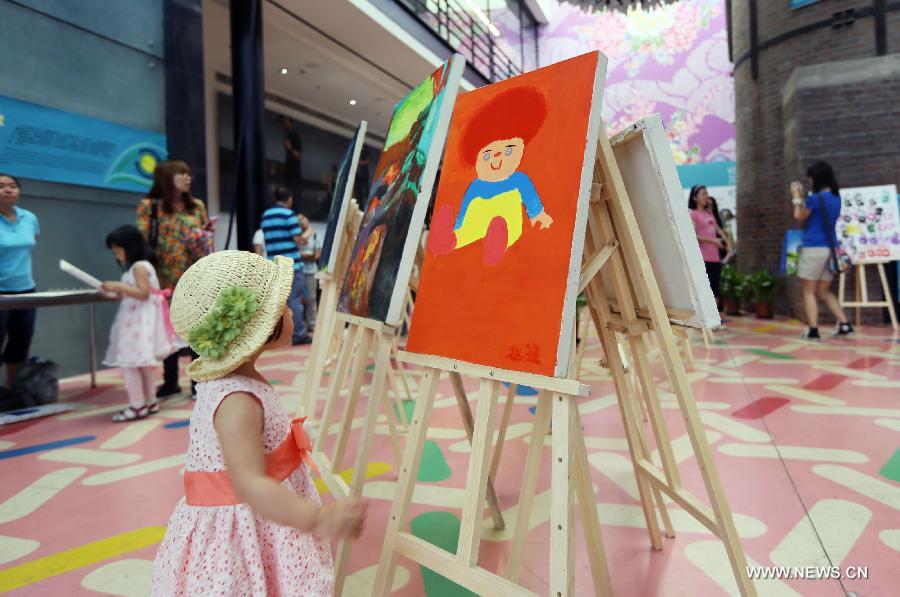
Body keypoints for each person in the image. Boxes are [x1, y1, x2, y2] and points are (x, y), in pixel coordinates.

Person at [151, 251, 367, 595]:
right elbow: (250, 483)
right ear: (262, 327)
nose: (291, 309)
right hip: (243, 534)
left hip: (261, 518)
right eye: (281, 305)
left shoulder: (240, 383)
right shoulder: (237, 400)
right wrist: (318, 519)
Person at [137, 160, 214, 398]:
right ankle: (170, 381)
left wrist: (205, 237)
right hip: (162, 279)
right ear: (166, 178)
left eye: (189, 173)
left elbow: (206, 236)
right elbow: (142, 241)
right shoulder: (149, 206)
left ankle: (197, 382)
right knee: (167, 329)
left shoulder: (197, 206)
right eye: (182, 173)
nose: (188, 178)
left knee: (196, 328)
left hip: (195, 274)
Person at [101, 226, 177, 422]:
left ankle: (137, 405)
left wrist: (118, 286)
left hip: (137, 325)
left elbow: (143, 293)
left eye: (118, 251)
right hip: (137, 322)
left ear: (130, 247)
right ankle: (150, 401)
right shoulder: (141, 267)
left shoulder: (139, 267)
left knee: (130, 364)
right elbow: (137, 293)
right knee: (142, 365)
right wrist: (115, 291)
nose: (117, 256)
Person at [791, 161, 854, 340]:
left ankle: (813, 330)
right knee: (823, 291)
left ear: (816, 178)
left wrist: (796, 198)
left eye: (810, 178)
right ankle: (844, 324)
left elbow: (798, 217)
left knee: (808, 291)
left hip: (813, 249)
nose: (809, 181)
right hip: (831, 250)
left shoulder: (814, 199)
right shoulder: (836, 198)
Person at [0, 174, 39, 388]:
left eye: (13, 186)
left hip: (26, 290)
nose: (8, 190)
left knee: (21, 340)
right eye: (2, 187)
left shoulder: (29, 218)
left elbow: (30, 245)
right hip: (0, 292)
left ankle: (12, 389)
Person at [261, 188, 312, 345]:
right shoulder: (288, 215)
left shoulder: (265, 216)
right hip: (292, 265)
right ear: (289, 199)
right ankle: (298, 335)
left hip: (274, 265)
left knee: (278, 303)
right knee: (295, 300)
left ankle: (276, 337)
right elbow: (299, 240)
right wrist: (308, 232)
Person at [689, 185, 726, 299]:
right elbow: (693, 235)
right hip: (704, 259)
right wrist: (713, 241)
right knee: (706, 293)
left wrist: (724, 238)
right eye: (703, 194)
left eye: (706, 193)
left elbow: (717, 228)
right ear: (695, 198)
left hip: (715, 258)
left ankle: (716, 317)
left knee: (715, 291)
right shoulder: (693, 214)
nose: (706, 196)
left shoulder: (709, 214)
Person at [298, 214, 322, 331]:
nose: (301, 221)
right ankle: (300, 325)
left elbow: (317, 255)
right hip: (297, 271)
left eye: (303, 218)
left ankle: (312, 324)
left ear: (307, 219)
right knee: (297, 299)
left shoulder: (315, 235)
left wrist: (300, 256)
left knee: (311, 298)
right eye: (298, 220)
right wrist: (307, 255)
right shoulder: (296, 237)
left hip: (311, 271)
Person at [279, 115, 304, 208]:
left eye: (285, 121)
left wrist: (290, 148)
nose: (283, 124)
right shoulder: (287, 134)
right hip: (289, 170)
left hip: (294, 172)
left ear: (290, 121)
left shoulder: (295, 136)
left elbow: (300, 156)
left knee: (293, 192)